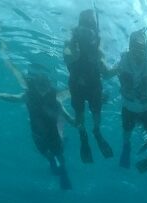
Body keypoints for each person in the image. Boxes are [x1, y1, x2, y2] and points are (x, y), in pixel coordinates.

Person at [0, 68, 75, 190]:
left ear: (49, 86)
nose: (42, 90)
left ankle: (63, 172)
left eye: (45, 87)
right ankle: (53, 161)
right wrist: (0, 95)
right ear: (35, 85)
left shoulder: (55, 100)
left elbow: (66, 115)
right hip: (37, 134)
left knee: (59, 153)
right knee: (47, 154)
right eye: (40, 86)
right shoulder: (29, 96)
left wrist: (75, 122)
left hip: (51, 134)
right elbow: (14, 97)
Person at [63, 9, 114, 163]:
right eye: (82, 31)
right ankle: (82, 133)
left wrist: (116, 68)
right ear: (77, 30)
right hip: (77, 87)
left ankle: (96, 131)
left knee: (96, 115)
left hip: (94, 87)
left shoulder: (97, 48)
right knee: (79, 117)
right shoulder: (70, 43)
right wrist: (74, 55)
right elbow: (66, 56)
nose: (86, 36)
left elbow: (105, 72)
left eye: (89, 32)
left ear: (94, 32)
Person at [113, 29, 147, 169]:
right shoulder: (122, 63)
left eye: (142, 50)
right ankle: (126, 149)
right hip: (128, 109)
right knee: (126, 135)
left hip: (146, 109)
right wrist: (102, 68)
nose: (139, 54)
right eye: (136, 49)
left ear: (146, 50)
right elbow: (107, 74)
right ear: (130, 48)